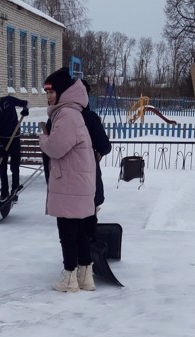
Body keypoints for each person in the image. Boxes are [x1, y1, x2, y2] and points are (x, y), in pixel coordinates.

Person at [39, 67, 96, 293]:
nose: (49, 96)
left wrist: (43, 138)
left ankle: (69, 278)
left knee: (68, 233)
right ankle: (85, 276)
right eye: (47, 93)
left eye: (52, 92)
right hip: (78, 184)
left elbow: (56, 147)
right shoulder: (73, 112)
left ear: (63, 92)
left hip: (70, 185)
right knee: (81, 232)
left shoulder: (67, 115)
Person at [79, 79, 112, 290]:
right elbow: (105, 146)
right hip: (88, 178)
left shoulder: (58, 117)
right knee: (89, 214)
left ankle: (74, 264)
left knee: (71, 224)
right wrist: (97, 152)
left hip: (66, 184)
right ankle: (86, 259)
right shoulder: (89, 117)